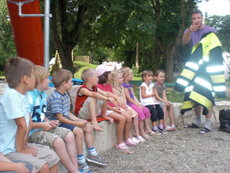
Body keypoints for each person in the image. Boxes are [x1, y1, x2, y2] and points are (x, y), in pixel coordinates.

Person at [0, 57, 59, 173]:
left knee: (53, 158)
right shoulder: (11, 95)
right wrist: (22, 149)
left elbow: (29, 122)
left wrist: (25, 146)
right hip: (8, 149)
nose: (35, 80)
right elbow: (21, 125)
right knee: (43, 166)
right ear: (26, 79)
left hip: (19, 145)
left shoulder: (24, 95)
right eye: (33, 76)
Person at [46, 69, 107, 173]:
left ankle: (92, 154)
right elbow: (60, 118)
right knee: (78, 131)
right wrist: (76, 123)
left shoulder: (64, 94)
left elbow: (68, 113)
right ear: (64, 83)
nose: (72, 83)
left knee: (87, 126)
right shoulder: (56, 97)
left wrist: (79, 120)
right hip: (56, 123)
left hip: (63, 120)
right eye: (71, 81)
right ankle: (81, 162)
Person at [176, 9, 225, 134]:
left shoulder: (210, 31)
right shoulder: (189, 31)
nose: (196, 20)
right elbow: (184, 42)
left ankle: (208, 124)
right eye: (194, 18)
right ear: (191, 20)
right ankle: (198, 121)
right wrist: (190, 31)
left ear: (202, 18)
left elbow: (215, 48)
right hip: (194, 67)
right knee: (193, 93)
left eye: (198, 18)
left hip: (206, 68)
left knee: (206, 93)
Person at [27, 65, 79, 173]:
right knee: (58, 141)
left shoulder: (43, 95)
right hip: (31, 132)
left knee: (69, 134)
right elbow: (26, 123)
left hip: (42, 127)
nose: (49, 80)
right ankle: (73, 171)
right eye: (47, 78)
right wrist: (43, 125)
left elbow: (42, 115)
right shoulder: (29, 96)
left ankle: (75, 167)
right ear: (40, 81)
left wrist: (48, 122)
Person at [96, 64, 138, 152]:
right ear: (104, 75)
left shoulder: (108, 86)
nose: (111, 75)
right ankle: (120, 142)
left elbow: (114, 99)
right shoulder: (98, 87)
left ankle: (127, 138)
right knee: (122, 119)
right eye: (109, 73)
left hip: (113, 107)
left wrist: (117, 106)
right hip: (106, 109)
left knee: (129, 117)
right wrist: (114, 109)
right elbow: (102, 103)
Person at [121, 67, 155, 139]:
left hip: (133, 102)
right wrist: (137, 105)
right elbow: (128, 98)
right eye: (130, 74)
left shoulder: (129, 85)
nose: (132, 75)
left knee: (146, 110)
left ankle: (147, 128)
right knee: (140, 112)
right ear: (125, 76)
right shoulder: (124, 86)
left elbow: (133, 96)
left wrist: (139, 104)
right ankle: (140, 132)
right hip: (129, 103)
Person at [139, 70, 166, 135]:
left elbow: (154, 94)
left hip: (152, 102)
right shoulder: (143, 85)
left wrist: (156, 99)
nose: (151, 77)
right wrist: (152, 95)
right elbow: (143, 95)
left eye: (151, 76)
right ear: (144, 77)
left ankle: (161, 126)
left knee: (160, 110)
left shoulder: (152, 84)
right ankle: (154, 127)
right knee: (154, 111)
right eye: (149, 76)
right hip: (146, 103)